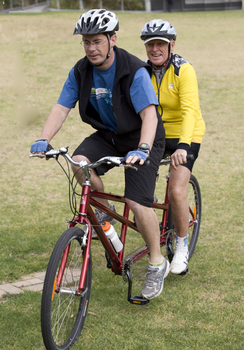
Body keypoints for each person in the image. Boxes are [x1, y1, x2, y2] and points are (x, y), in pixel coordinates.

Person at [31, 9, 169, 300]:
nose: (91, 48)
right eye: (86, 42)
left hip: (142, 136)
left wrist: (143, 149)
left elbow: (150, 116)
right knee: (79, 164)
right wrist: (44, 139)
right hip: (108, 135)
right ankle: (105, 217)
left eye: (97, 41)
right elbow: (61, 107)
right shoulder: (81, 70)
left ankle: (157, 263)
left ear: (112, 39)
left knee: (137, 200)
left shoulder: (135, 70)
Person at [140, 19, 205, 275]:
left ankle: (181, 244)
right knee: (138, 176)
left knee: (177, 191)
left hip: (184, 134)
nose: (155, 49)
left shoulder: (183, 70)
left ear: (172, 45)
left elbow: (190, 111)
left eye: (161, 44)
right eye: (150, 44)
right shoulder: (142, 71)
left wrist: (183, 146)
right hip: (157, 132)